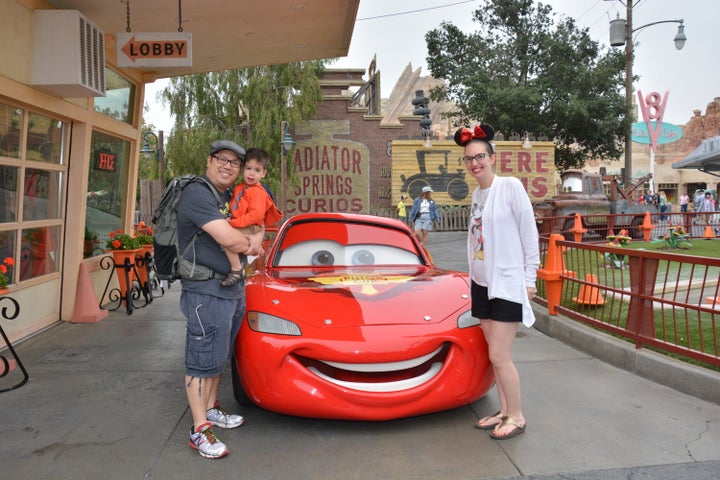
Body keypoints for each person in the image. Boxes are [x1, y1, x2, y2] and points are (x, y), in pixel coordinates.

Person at [177, 140, 264, 459]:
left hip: (232, 286)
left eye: (235, 163)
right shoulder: (198, 193)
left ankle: (211, 409)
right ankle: (198, 429)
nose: (228, 166)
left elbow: (260, 224)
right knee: (201, 358)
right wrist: (250, 243)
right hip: (205, 290)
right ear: (209, 160)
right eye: (221, 159)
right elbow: (229, 237)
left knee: (219, 354)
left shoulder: (232, 195)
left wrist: (252, 239)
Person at [454, 124, 539, 440]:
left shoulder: (510, 187)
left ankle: (516, 415)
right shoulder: (478, 194)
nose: (474, 163)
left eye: (479, 157)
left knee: (500, 356)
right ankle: (504, 410)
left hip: (505, 283)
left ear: (492, 157)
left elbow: (529, 236)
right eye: (468, 159)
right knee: (494, 353)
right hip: (482, 283)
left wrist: (529, 280)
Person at [221, 148, 283, 287]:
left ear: (263, 174)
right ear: (243, 168)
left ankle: (237, 269)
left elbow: (255, 216)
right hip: (241, 223)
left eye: (257, 170)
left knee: (225, 239)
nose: (251, 173)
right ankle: (246, 266)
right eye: (248, 168)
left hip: (248, 225)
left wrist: (232, 223)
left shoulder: (258, 192)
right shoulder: (239, 187)